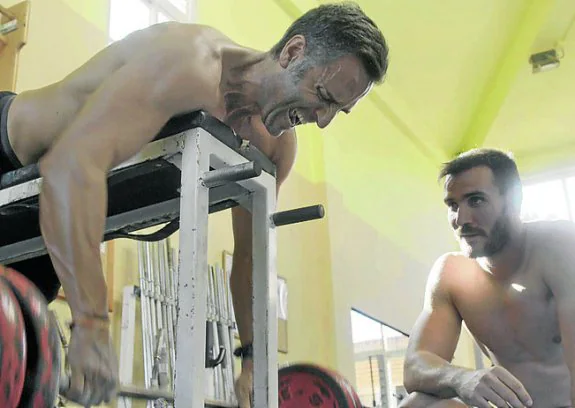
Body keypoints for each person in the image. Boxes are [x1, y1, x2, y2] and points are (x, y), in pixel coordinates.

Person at [0, 2, 389, 407]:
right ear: (292, 52)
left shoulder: (274, 147)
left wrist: (253, 360)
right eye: (322, 97)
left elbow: (251, 255)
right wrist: (92, 323)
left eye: (336, 112)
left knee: (24, 371)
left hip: (50, 224)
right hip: (10, 153)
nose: (322, 121)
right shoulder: (192, 63)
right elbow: (70, 165)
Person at [400, 148, 575, 408]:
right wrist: (462, 379)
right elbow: (415, 367)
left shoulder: (559, 247)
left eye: (476, 201)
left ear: (514, 201)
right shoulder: (452, 275)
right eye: (453, 205)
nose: (461, 219)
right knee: (419, 404)